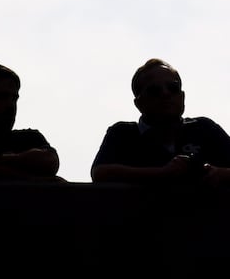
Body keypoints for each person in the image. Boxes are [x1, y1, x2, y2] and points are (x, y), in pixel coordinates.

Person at [90, 58, 230, 187]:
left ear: (182, 96)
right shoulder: (123, 134)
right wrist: (164, 173)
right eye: (154, 90)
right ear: (139, 103)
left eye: (173, 88)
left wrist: (219, 174)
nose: (166, 94)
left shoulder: (205, 128)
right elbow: (100, 173)